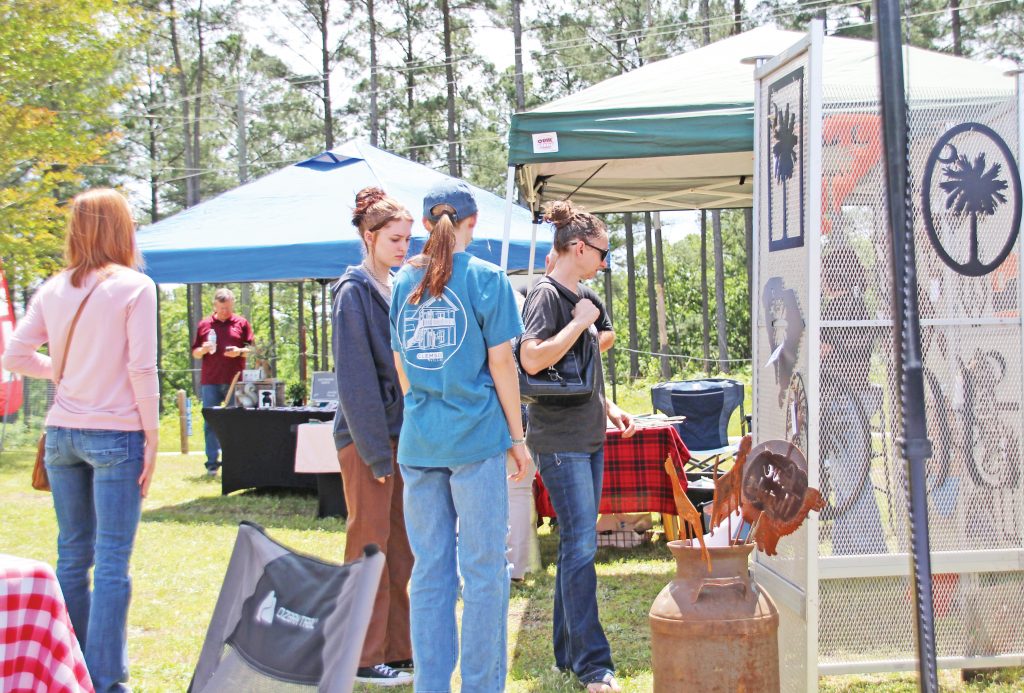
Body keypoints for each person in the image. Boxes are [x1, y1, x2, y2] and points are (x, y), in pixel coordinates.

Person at [3, 188, 159, 693]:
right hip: (117, 434)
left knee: (72, 556)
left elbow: (14, 355)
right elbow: (142, 368)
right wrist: (153, 435)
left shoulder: (53, 288)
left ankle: (70, 673)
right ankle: (107, 680)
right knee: (112, 561)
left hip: (62, 434)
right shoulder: (135, 286)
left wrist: (67, 372)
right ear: (123, 229)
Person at [390, 179, 529, 693]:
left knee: (430, 572)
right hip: (475, 440)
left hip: (421, 441)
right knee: (485, 570)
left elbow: (403, 368)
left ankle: (430, 685)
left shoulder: (403, 283)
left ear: (426, 225)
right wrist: (517, 438)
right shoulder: (488, 279)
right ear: (473, 222)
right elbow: (502, 365)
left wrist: (427, 410)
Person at [518, 200, 635, 693]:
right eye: (603, 253)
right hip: (560, 441)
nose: (605, 263)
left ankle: (568, 654)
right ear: (580, 248)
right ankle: (593, 664)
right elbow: (530, 359)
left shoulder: (583, 295)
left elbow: (578, 368)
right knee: (582, 547)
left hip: (589, 435)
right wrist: (578, 322)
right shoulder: (546, 296)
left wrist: (607, 406)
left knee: (575, 546)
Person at [331, 187, 415, 686]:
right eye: (394, 239)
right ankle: (360, 656)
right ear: (369, 237)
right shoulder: (353, 292)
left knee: (401, 546)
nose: (403, 247)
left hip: (403, 437)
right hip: (369, 441)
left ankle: (398, 649)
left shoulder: (396, 285)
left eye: (407, 238)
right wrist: (376, 453)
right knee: (369, 547)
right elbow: (355, 382)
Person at [191, 287, 254, 476]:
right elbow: (195, 353)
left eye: (228, 307)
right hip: (210, 380)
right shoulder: (204, 325)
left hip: (235, 380)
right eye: (222, 308)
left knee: (234, 422)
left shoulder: (241, 323)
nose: (225, 311)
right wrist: (203, 350)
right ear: (215, 306)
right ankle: (212, 464)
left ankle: (234, 461)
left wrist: (239, 352)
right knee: (210, 422)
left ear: (233, 305)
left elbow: (252, 349)